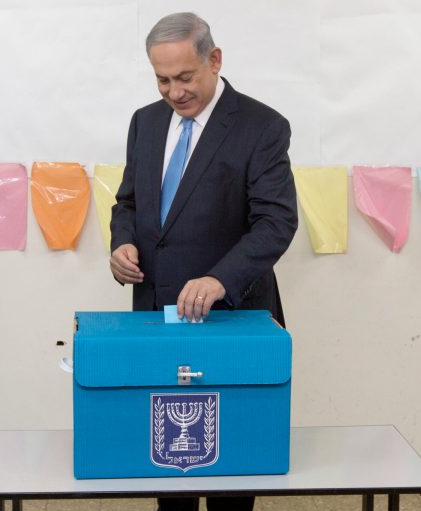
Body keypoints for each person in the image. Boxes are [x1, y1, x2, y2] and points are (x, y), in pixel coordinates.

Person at [109, 12, 297, 511]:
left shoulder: (263, 127)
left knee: (230, 466)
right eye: (162, 79)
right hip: (156, 315)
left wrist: (219, 279)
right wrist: (121, 243)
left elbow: (276, 223)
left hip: (232, 315)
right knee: (168, 463)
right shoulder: (144, 123)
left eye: (185, 77)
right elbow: (127, 202)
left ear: (214, 60)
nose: (174, 92)